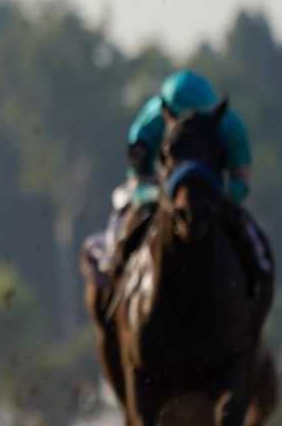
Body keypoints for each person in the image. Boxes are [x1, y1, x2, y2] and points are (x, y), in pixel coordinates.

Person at [89, 69, 271, 309]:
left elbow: (241, 181)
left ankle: (256, 294)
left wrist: (221, 195)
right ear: (168, 114)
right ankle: (112, 278)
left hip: (213, 191)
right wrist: (153, 195)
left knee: (253, 243)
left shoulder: (229, 125)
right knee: (123, 227)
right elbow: (137, 179)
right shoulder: (149, 125)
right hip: (160, 186)